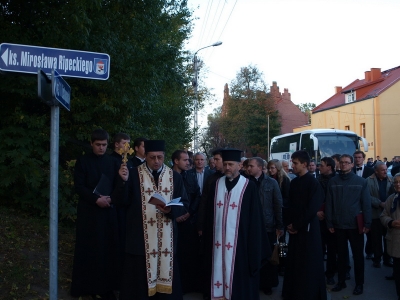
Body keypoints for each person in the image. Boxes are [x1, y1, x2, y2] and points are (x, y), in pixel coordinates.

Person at [115, 140, 189, 300]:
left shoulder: (174, 176)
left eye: (160, 157)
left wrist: (170, 209)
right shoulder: (133, 174)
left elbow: (184, 202)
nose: (156, 161)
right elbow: (121, 202)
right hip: (140, 240)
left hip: (166, 240)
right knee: (138, 284)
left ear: (164, 157)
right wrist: (122, 182)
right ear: (145, 156)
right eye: (152, 157)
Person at [203, 149, 269, 299]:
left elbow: (255, 220)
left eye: (231, 164)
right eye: (225, 164)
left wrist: (253, 248)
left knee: (239, 284)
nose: (227, 168)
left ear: (239, 165)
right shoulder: (216, 185)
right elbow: (209, 217)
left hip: (240, 246)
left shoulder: (248, 186)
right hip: (217, 244)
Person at [71, 129, 121, 300]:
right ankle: (87, 286)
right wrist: (95, 199)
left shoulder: (114, 162)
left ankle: (107, 287)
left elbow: (118, 185)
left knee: (107, 249)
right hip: (89, 213)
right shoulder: (83, 161)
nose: (101, 148)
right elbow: (79, 186)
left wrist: (110, 200)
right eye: (98, 145)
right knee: (89, 248)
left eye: (104, 145)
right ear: (91, 143)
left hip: (108, 212)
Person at [281, 150, 326, 300]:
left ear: (304, 164)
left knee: (308, 264)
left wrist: (296, 225)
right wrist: (288, 223)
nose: (292, 166)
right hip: (294, 230)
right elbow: (289, 204)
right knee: (294, 263)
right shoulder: (294, 182)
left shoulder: (314, 183)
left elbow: (312, 209)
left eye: (295, 163)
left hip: (308, 231)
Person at [326, 154, 371, 296]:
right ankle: (341, 281)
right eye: (342, 162)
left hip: (354, 225)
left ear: (352, 165)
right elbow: (329, 204)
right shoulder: (333, 182)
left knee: (358, 257)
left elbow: (366, 204)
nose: (344, 164)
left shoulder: (361, 182)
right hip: (338, 225)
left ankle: (359, 284)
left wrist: (367, 223)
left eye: (347, 162)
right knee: (341, 256)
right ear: (338, 164)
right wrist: (329, 221)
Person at [247, 157, 283, 295]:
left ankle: (268, 284)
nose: (248, 168)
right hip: (251, 226)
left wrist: (280, 225)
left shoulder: (271, 183)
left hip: (268, 225)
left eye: (251, 166)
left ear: (260, 168)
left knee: (268, 257)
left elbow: (278, 204)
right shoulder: (246, 182)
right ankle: (253, 282)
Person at [171, 150, 202, 293]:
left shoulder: (190, 176)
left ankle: (190, 285)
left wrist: (189, 213)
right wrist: (175, 215)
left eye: (188, 160)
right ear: (176, 161)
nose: (188, 162)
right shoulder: (168, 177)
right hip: (173, 222)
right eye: (185, 160)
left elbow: (197, 196)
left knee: (190, 254)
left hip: (189, 221)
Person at [196, 148, 225, 300]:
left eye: (217, 160)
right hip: (212, 226)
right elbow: (204, 202)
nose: (214, 162)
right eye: (213, 159)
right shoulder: (211, 178)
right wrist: (200, 225)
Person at [367, 162, 394, 268]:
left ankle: (388, 258)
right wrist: (379, 203)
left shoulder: (391, 180)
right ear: (376, 171)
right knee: (376, 239)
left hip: (388, 215)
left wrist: (387, 204)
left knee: (388, 238)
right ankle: (377, 259)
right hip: (375, 215)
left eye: (386, 169)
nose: (385, 171)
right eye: (382, 170)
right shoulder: (368, 181)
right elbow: (366, 196)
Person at [317, 157, 337, 285]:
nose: (319, 167)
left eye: (322, 165)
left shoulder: (337, 180)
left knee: (333, 249)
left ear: (329, 167)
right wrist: (317, 211)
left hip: (334, 219)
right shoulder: (317, 181)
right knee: (319, 248)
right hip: (319, 218)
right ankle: (318, 273)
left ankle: (331, 273)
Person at [380, 173, 400, 300]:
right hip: (396, 241)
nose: (398, 184)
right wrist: (391, 222)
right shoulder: (391, 199)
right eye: (396, 182)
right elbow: (383, 215)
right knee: (398, 272)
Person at [352, 150, 374, 259]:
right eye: (355, 157)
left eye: (359, 157)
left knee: (369, 229)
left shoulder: (371, 170)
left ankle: (369, 251)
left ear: (363, 158)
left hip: (367, 201)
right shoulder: (350, 170)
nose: (357, 159)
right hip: (354, 204)